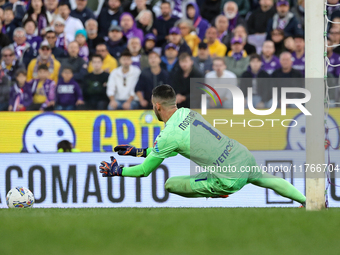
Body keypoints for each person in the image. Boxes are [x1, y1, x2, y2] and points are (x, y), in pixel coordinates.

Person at [99, 84, 307, 208]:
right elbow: (174, 148)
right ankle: (309, 201)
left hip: (228, 178)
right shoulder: (189, 113)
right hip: (241, 153)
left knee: (170, 184)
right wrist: (139, 152)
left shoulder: (168, 134)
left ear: (157, 106)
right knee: (267, 180)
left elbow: (145, 171)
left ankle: (218, 190)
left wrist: (119, 171)